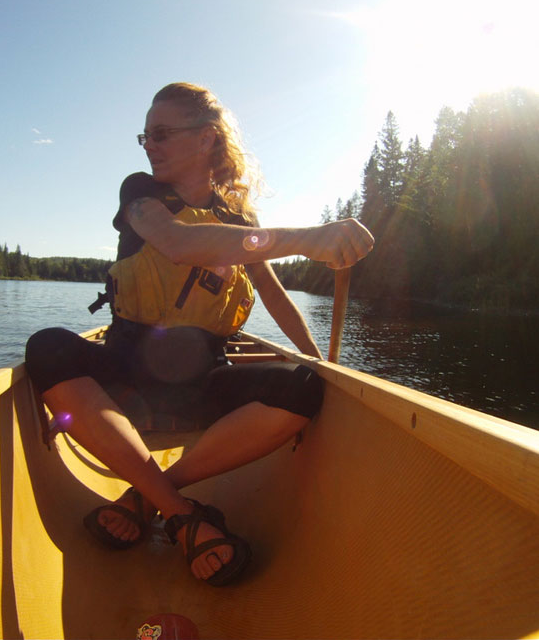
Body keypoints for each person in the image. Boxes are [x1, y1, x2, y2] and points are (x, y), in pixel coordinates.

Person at [25, 82, 374, 586]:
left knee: (302, 387)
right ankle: (184, 517)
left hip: (201, 382)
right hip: (123, 378)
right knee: (47, 346)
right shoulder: (140, 193)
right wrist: (307, 239)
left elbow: (274, 296)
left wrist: (320, 358)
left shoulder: (239, 220)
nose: (150, 146)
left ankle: (150, 496)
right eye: (145, 136)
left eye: (162, 134)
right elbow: (176, 242)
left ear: (208, 138)